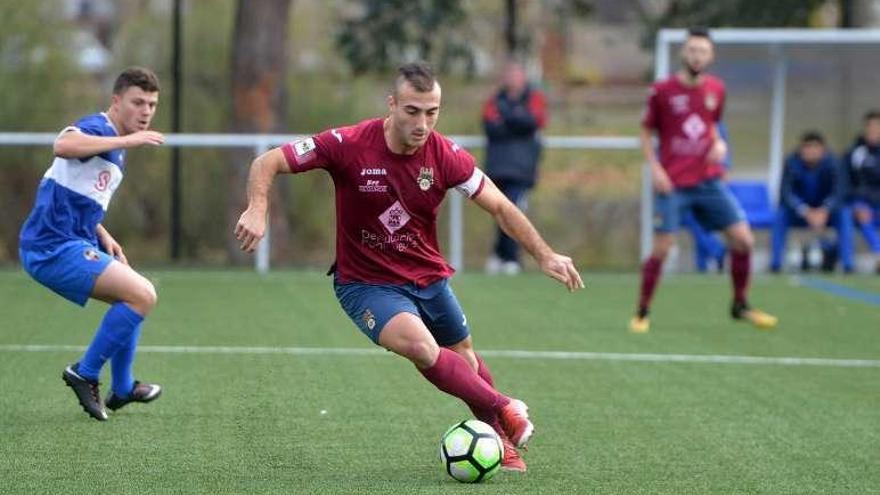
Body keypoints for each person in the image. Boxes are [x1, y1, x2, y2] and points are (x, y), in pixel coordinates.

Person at [234, 62, 583, 472]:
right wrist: (258, 208)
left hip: (428, 277)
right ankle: (504, 407)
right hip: (366, 284)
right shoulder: (347, 143)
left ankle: (498, 437)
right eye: (413, 111)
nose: (423, 123)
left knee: (465, 359)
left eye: (432, 112)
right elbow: (267, 161)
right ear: (392, 105)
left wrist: (543, 253)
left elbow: (502, 206)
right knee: (421, 347)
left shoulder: (446, 155)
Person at [18, 67, 165, 421]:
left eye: (152, 104)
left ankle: (124, 387)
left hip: (71, 239)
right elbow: (63, 144)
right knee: (142, 294)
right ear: (116, 101)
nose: (145, 111)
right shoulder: (100, 128)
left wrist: (103, 233)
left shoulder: (115, 143)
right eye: (137, 102)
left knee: (133, 295)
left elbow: (78, 194)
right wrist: (125, 141)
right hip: (50, 247)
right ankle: (85, 373)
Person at [629, 28, 777, 333]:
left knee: (743, 240)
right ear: (684, 53)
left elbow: (712, 125)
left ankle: (740, 303)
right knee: (662, 247)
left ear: (711, 56)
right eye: (692, 49)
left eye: (703, 51)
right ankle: (642, 311)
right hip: (673, 183)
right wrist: (655, 168)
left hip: (708, 181)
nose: (697, 55)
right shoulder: (662, 90)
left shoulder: (716, 90)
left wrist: (718, 144)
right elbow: (646, 131)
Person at [481, 61, 548, 275]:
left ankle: (510, 258)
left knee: (513, 209)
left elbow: (532, 122)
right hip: (498, 167)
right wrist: (517, 120)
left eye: (515, 74)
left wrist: (508, 118)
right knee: (499, 211)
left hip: (522, 169)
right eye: (508, 74)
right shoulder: (494, 100)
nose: (511, 78)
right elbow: (491, 127)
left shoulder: (535, 98)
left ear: (523, 77)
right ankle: (500, 254)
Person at [770, 131, 853, 273]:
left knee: (844, 214)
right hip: (800, 213)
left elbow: (839, 192)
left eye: (814, 147)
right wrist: (805, 210)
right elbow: (786, 193)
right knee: (780, 214)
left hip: (826, 213)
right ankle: (775, 264)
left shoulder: (834, 164)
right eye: (806, 147)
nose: (810, 151)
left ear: (823, 149)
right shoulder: (791, 163)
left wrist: (825, 209)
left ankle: (848, 264)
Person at [843, 110, 880, 273]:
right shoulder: (855, 153)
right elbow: (846, 183)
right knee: (861, 215)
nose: (874, 130)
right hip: (862, 203)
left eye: (877, 127)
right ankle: (850, 264)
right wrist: (857, 203)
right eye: (871, 127)